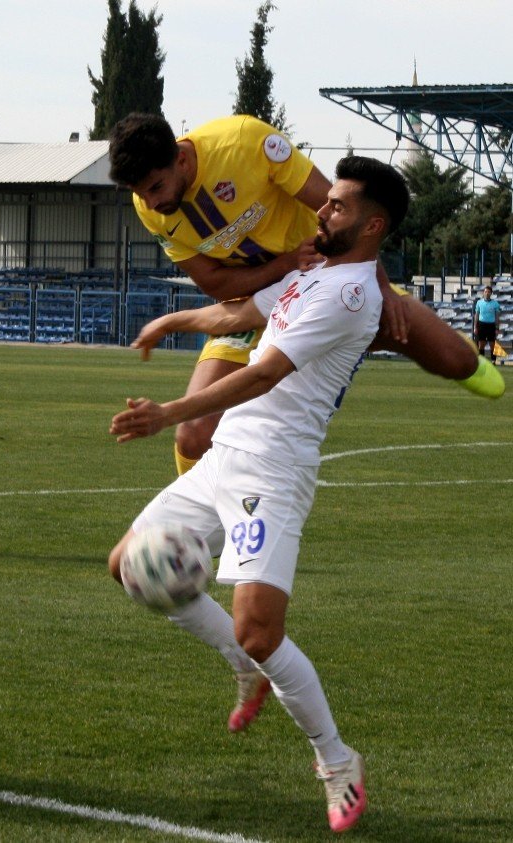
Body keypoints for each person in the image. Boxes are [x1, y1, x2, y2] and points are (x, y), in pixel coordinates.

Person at [108, 156, 411, 833]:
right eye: (325, 201)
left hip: (272, 471)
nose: (322, 211)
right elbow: (241, 312)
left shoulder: (351, 293)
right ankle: (243, 666)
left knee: (260, 628)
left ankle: (336, 759)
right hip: (225, 457)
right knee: (127, 562)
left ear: (373, 224)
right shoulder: (313, 273)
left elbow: (264, 373)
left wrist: (167, 413)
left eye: (336, 206)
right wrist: (172, 322)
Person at [109, 113, 504, 476]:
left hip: (326, 277)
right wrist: (280, 267)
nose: (152, 203)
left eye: (156, 187)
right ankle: (194, 538)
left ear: (180, 159)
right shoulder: (150, 207)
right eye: (141, 194)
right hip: (255, 301)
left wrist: (384, 290)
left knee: (453, 359)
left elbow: (339, 208)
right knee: (193, 435)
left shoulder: (245, 141)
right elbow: (214, 284)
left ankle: (467, 357)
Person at [473, 285, 501, 362]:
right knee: (481, 344)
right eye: (485, 291)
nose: (487, 293)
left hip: (491, 325)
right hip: (481, 325)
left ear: (491, 293)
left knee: (492, 344)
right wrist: (475, 327)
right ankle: (481, 361)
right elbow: (477, 315)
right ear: (483, 293)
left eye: (489, 292)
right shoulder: (479, 302)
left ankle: (493, 361)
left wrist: (497, 328)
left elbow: (497, 317)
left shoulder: (495, 303)